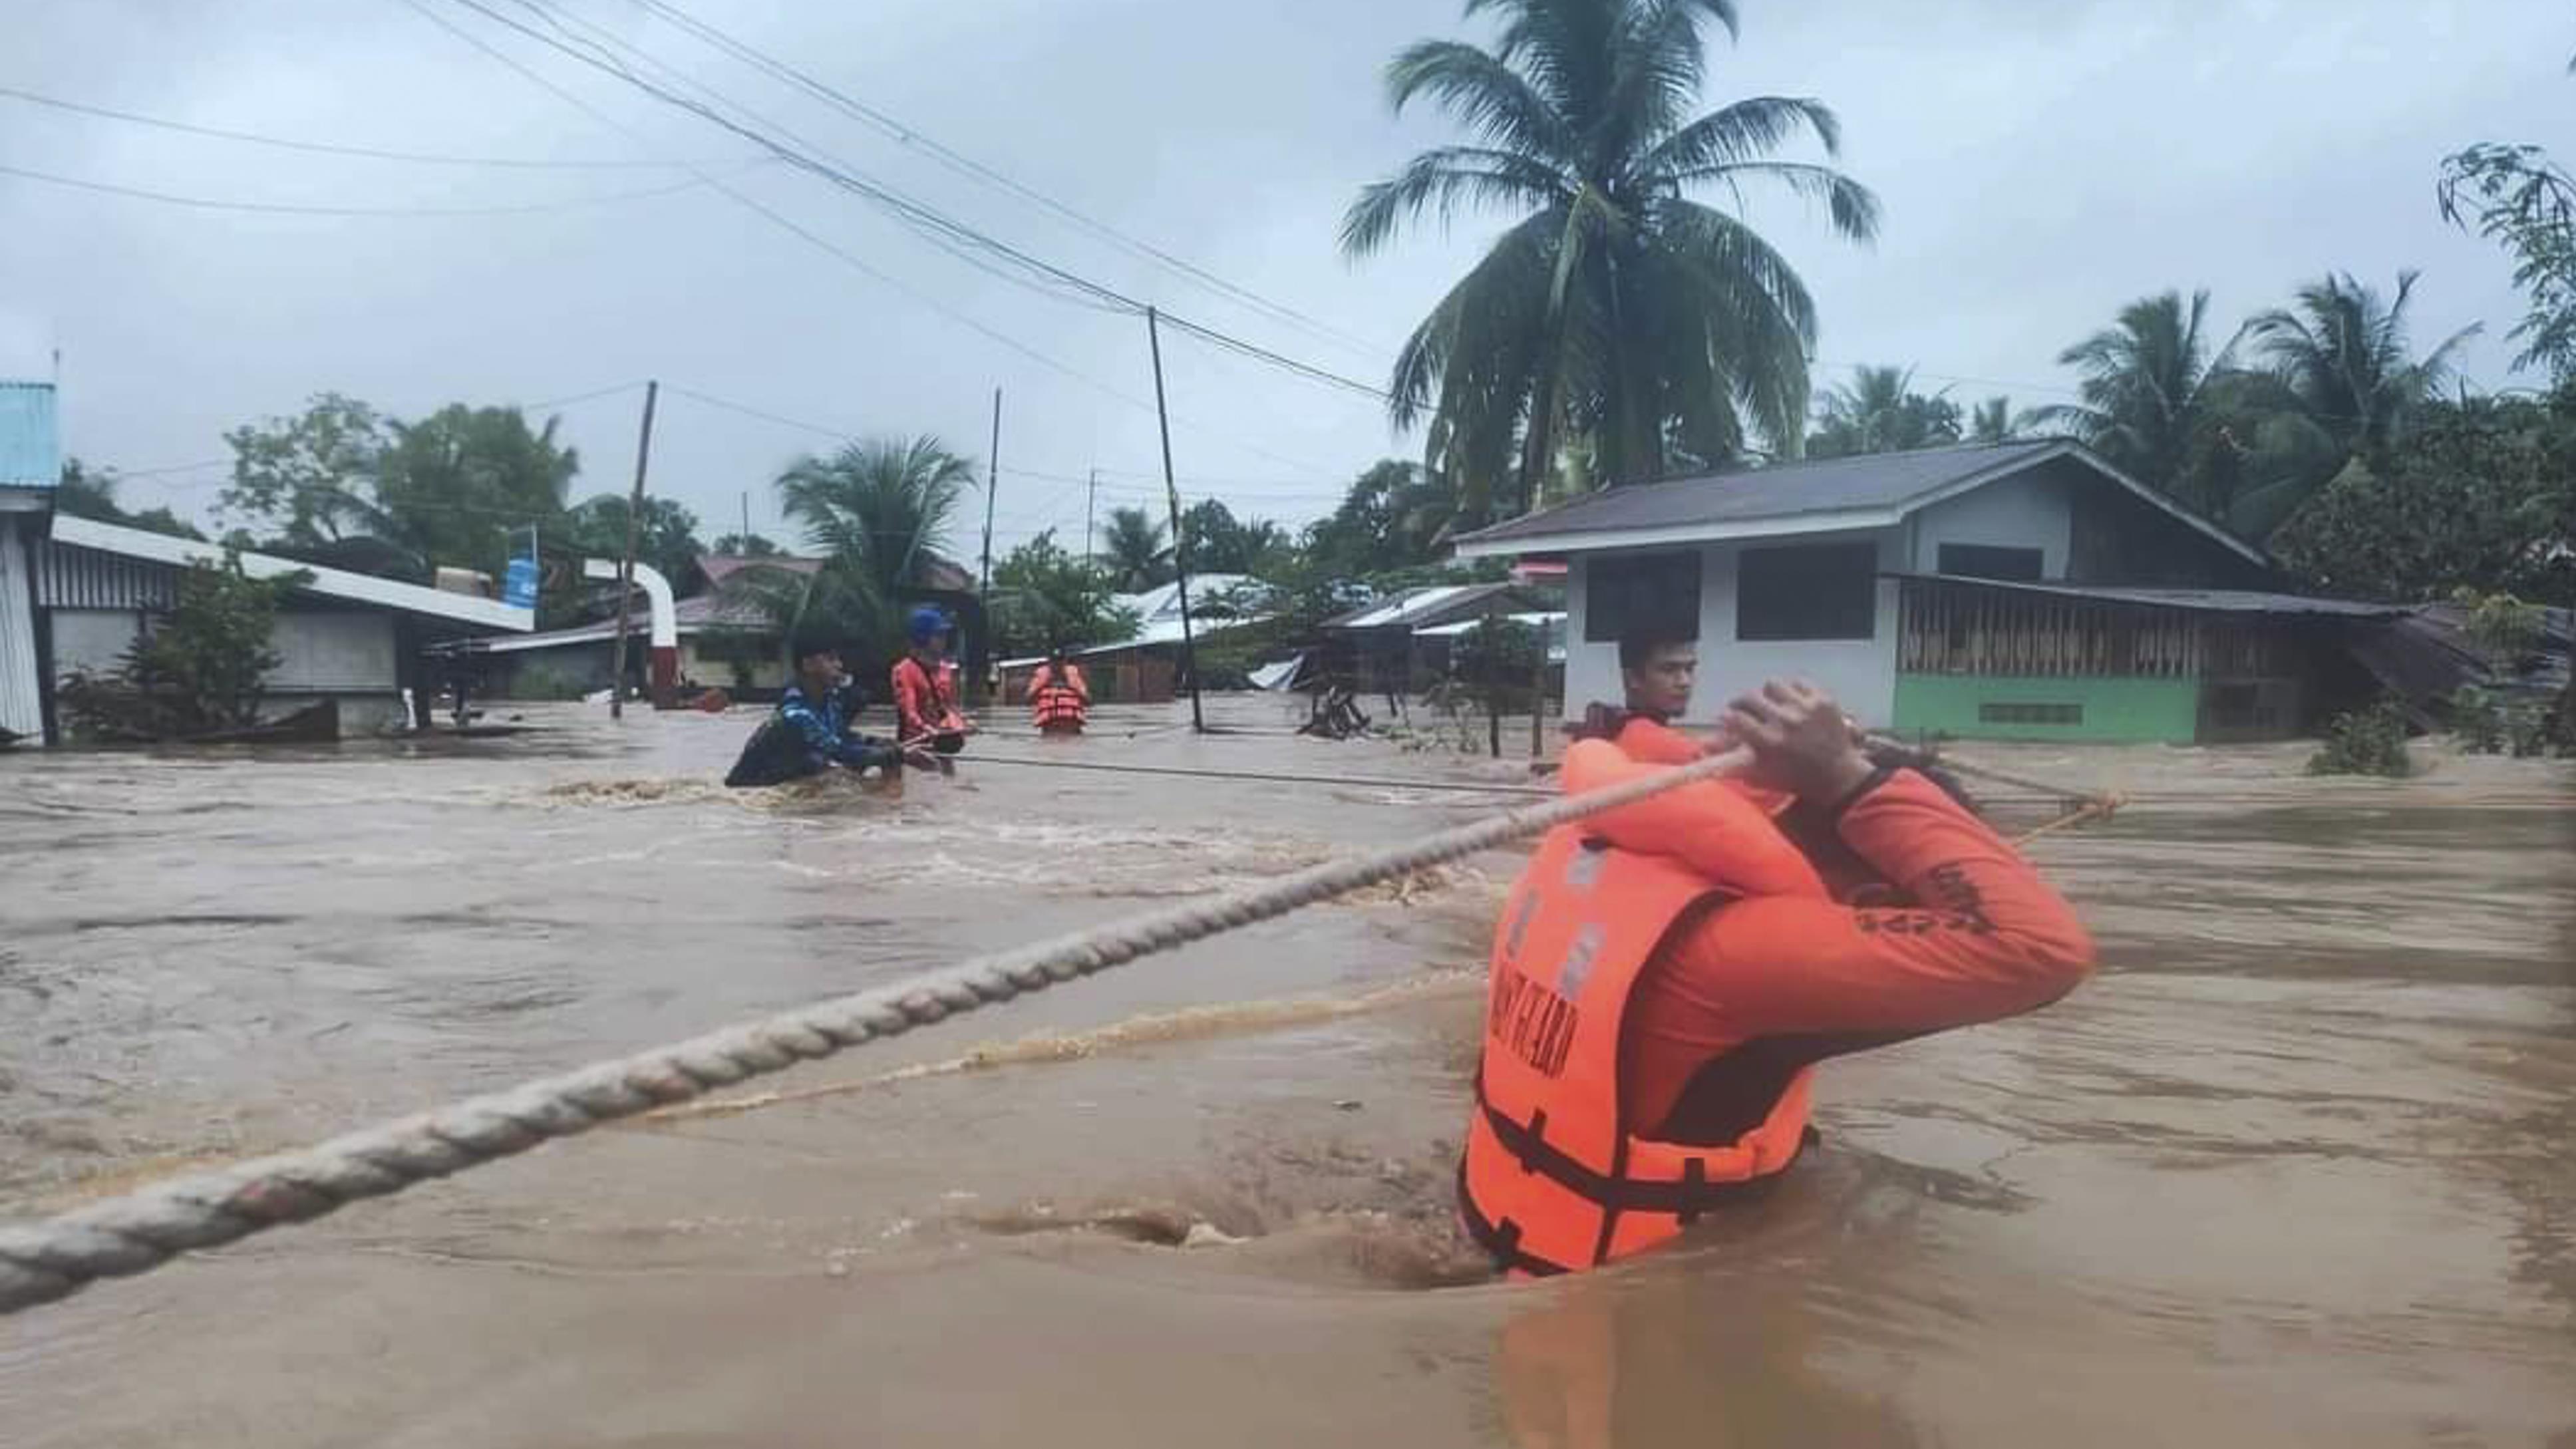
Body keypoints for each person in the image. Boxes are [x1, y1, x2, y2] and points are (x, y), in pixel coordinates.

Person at [1458, 677, 2095, 1277]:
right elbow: (2038, 948)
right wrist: (1849, 778)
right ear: (1876, 897)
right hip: (1633, 1294)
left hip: (1503, 1223)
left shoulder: (1630, 860)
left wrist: (1831, 771)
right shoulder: (1742, 957)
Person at [723, 635, 911, 788]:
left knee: (846, 770)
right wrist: (892, 754)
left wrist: (880, 742)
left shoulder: (828, 703)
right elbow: (840, 751)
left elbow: (843, 736)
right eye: (830, 659)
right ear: (808, 666)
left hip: (793, 776)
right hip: (753, 790)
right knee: (837, 775)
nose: (839, 666)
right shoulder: (795, 714)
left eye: (838, 659)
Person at [890, 606, 972, 755]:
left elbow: (950, 707)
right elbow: (910, 712)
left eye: (945, 635)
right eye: (939, 635)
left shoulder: (946, 670)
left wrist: (963, 723)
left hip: (941, 742)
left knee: (950, 776)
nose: (944, 640)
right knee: (932, 773)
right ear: (922, 638)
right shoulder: (904, 670)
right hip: (914, 745)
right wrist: (925, 728)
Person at [1027, 644, 1090, 735]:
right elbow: (1028, 701)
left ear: (1065, 661)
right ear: (1049, 662)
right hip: (1050, 731)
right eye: (1054, 661)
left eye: (1060, 660)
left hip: (1072, 731)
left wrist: (1072, 687)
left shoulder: (1074, 677)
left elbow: (1088, 702)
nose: (1057, 664)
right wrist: (1044, 685)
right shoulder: (1040, 678)